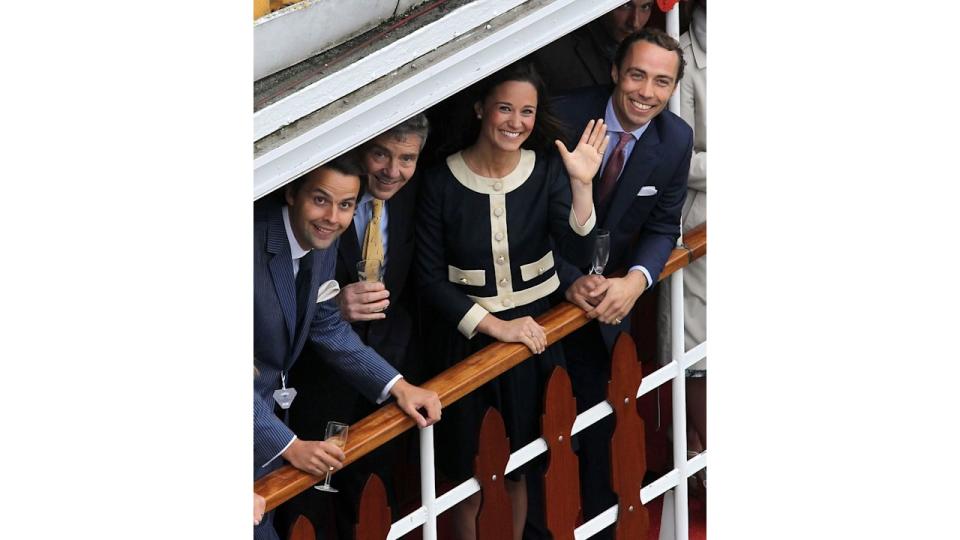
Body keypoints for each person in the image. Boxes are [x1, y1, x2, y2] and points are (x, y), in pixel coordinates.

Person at [416, 61, 606, 540]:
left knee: (520, 464)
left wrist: (582, 183)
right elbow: (428, 279)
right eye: (504, 108)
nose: (515, 122)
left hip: (537, 336)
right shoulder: (439, 182)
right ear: (481, 109)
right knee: (468, 475)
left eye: (526, 111)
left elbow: (579, 249)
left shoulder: (545, 171)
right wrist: (495, 326)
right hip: (468, 344)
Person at [550, 27, 692, 536]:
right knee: (529, 438)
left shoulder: (674, 138)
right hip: (537, 301)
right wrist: (566, 280)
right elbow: (524, 218)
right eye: (637, 75)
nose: (646, 92)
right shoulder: (562, 116)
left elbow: (662, 226)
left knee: (601, 429)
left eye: (661, 81)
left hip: (610, 308)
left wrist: (636, 281)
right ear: (615, 72)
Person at [253, 156, 442, 540]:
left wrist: (398, 386)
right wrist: (289, 446)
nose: (332, 218)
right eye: (320, 200)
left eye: (345, 206)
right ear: (291, 193)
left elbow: (327, 327)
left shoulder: (321, 243)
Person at [657, 0, 707, 488]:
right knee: (701, 351)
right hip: (702, 224)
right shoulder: (688, 58)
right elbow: (681, 158)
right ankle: (704, 457)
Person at [532, 0, 655, 94]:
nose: (635, 22)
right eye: (625, 5)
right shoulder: (554, 51)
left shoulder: (648, 52)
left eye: (645, 7)